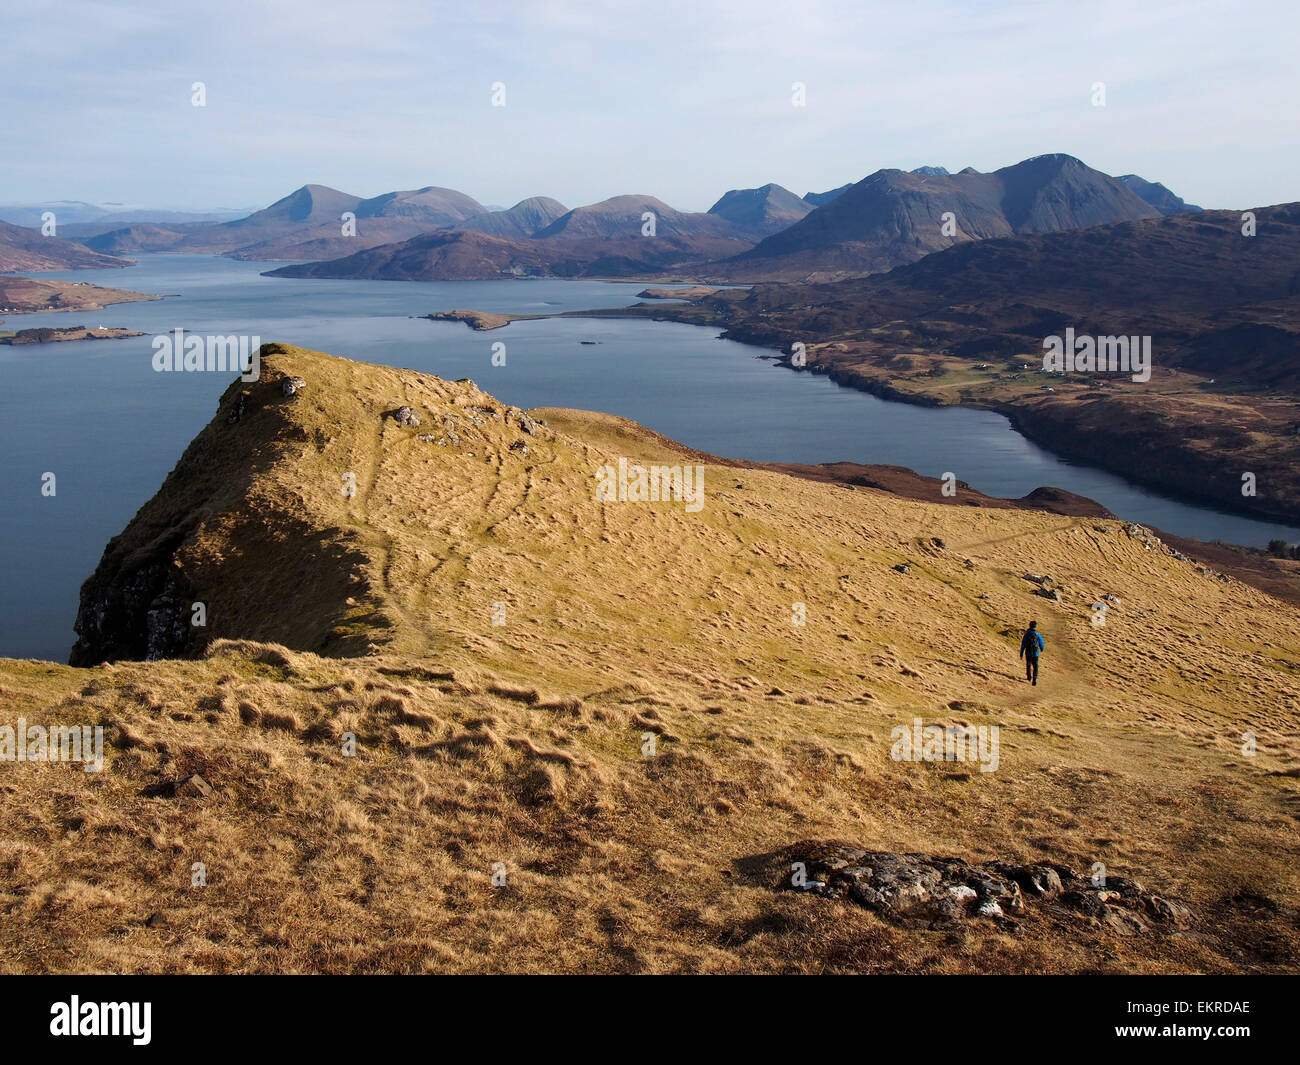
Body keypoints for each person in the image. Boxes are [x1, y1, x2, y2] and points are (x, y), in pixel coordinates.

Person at [1020, 620, 1044, 685]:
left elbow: (1023, 644)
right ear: (1035, 626)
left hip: (1028, 653)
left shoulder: (1026, 634)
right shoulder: (1038, 635)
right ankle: (1034, 678)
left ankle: (1029, 677)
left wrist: (1021, 654)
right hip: (1036, 653)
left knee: (1028, 665)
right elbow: (1041, 643)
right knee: (1035, 666)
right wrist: (1041, 649)